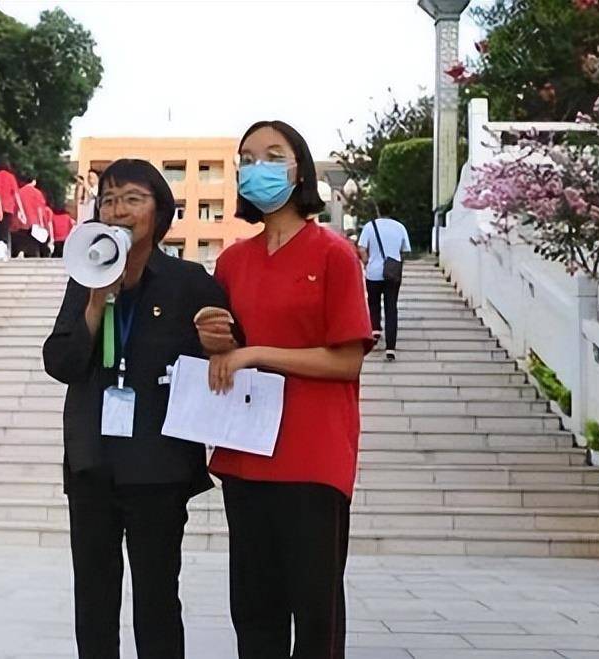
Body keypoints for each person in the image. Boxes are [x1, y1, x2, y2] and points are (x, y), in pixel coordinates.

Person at [196, 120, 372, 659]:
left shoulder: (333, 254)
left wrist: (256, 354)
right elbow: (225, 349)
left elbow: (346, 361)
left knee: (315, 615)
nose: (257, 167)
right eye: (246, 158)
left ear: (301, 169)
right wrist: (211, 337)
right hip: (245, 454)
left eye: (273, 154)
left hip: (313, 457)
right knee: (253, 612)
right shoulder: (231, 261)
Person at [42, 159, 229, 659]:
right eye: (107, 199)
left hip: (159, 468)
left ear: (159, 211)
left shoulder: (188, 281)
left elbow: (229, 349)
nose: (117, 209)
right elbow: (60, 362)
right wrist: (95, 302)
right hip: (92, 465)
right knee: (94, 600)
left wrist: (221, 343)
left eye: (132, 198)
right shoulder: (85, 277)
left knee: (157, 599)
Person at [357, 206, 411, 361]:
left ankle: (375, 331)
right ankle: (391, 348)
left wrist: (367, 262)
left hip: (374, 273)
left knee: (373, 303)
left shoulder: (370, 226)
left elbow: (361, 248)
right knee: (391, 308)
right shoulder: (399, 227)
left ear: (379, 211)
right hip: (392, 275)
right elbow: (404, 251)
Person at [14, 172, 49, 258]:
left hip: (21, 221)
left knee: (22, 239)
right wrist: (42, 223)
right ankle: (31, 256)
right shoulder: (37, 193)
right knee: (33, 241)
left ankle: (21, 251)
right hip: (34, 221)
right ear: (34, 181)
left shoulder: (19, 192)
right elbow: (40, 209)